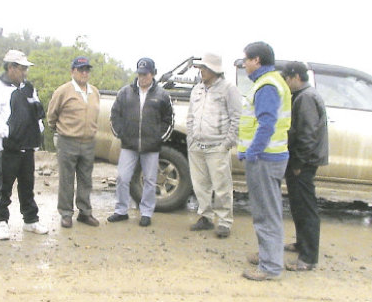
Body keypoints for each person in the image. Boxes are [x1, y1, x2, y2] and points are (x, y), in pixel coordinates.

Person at [238, 42, 291, 281]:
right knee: (268, 210)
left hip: (265, 158)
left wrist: (252, 152)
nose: (244, 63)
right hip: (271, 156)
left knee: (265, 213)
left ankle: (270, 267)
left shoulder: (267, 85)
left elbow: (266, 124)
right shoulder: (271, 81)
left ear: (257, 60)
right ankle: (267, 256)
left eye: (246, 59)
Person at [0, 50, 48, 238]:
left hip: (28, 146)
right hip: (8, 147)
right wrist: (7, 134)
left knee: (27, 185)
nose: (24, 72)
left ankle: (30, 220)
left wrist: (38, 131)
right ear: (11, 67)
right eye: (22, 68)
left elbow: (36, 111)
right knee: (5, 186)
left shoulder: (28, 87)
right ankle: (1, 221)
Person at [107, 58, 174, 227]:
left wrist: (158, 138)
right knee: (123, 178)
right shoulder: (125, 93)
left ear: (153, 73)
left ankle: (146, 213)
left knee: (150, 180)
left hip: (151, 147)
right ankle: (121, 210)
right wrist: (121, 134)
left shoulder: (162, 95)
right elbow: (114, 115)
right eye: (140, 73)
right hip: (129, 145)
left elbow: (169, 120)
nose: (142, 77)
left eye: (146, 74)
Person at [187, 53, 241, 238]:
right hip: (197, 146)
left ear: (214, 70)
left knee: (221, 186)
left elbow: (236, 118)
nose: (201, 71)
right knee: (200, 185)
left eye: (204, 68)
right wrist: (191, 138)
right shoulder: (197, 90)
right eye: (201, 68)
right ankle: (205, 217)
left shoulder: (228, 89)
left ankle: (224, 221)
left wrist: (226, 143)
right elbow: (191, 116)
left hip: (217, 146)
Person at [282, 61, 329, 271]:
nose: (285, 83)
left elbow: (308, 134)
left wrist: (299, 163)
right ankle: (301, 244)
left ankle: (308, 259)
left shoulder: (306, 98)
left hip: (305, 162)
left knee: (306, 208)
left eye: (286, 78)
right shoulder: (304, 96)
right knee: (298, 206)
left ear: (296, 77)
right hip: (302, 160)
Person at [47, 56, 100, 229]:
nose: (84, 73)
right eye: (80, 69)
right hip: (68, 141)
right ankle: (66, 213)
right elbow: (51, 116)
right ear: (73, 71)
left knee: (86, 179)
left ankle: (85, 212)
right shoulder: (63, 91)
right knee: (67, 179)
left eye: (87, 70)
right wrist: (62, 130)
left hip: (88, 142)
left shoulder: (94, 91)